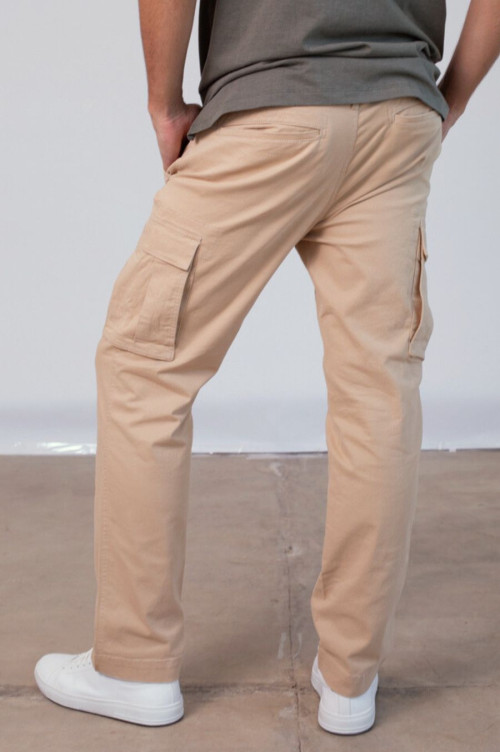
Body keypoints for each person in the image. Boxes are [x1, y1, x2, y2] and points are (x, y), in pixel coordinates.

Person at [34, 0, 499, 736]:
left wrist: (164, 102)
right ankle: (351, 679)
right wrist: (451, 96)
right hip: (399, 114)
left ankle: (134, 664)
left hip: (272, 102)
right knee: (378, 395)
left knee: (144, 364)